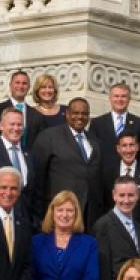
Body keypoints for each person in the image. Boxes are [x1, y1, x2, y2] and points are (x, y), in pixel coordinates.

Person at [29, 98, 103, 229]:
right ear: (67, 114)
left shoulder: (95, 141)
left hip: (89, 214)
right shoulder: (49, 137)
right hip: (60, 212)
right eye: (75, 113)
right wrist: (39, 214)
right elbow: (37, 177)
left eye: (84, 113)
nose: (80, 117)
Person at [92, 176, 140, 280]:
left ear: (138, 195)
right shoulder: (103, 225)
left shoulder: (138, 227)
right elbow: (103, 270)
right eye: (122, 195)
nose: (126, 200)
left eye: (131, 195)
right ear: (114, 195)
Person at [110, 129, 140, 236]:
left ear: (138, 147)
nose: (128, 150)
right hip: (113, 235)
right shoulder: (107, 174)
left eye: (132, 145)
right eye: (124, 146)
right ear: (118, 148)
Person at [88, 82, 140, 176]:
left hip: (131, 175)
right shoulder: (97, 123)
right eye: (116, 96)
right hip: (103, 176)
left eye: (123, 96)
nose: (120, 99)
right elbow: (93, 153)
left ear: (129, 99)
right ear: (110, 98)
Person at [0, 70, 44, 148]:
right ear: (10, 85)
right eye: (17, 83)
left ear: (29, 87)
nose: (21, 86)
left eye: (24, 83)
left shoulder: (36, 115)